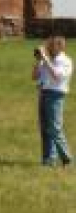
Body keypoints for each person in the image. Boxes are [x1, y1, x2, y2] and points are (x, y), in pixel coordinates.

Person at [32, 36, 72, 167]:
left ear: (60, 46)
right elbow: (34, 76)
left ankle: (67, 158)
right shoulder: (47, 60)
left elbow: (56, 75)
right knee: (44, 128)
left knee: (55, 128)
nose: (48, 47)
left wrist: (45, 59)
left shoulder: (66, 61)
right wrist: (38, 61)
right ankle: (48, 160)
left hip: (56, 95)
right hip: (44, 93)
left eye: (51, 45)